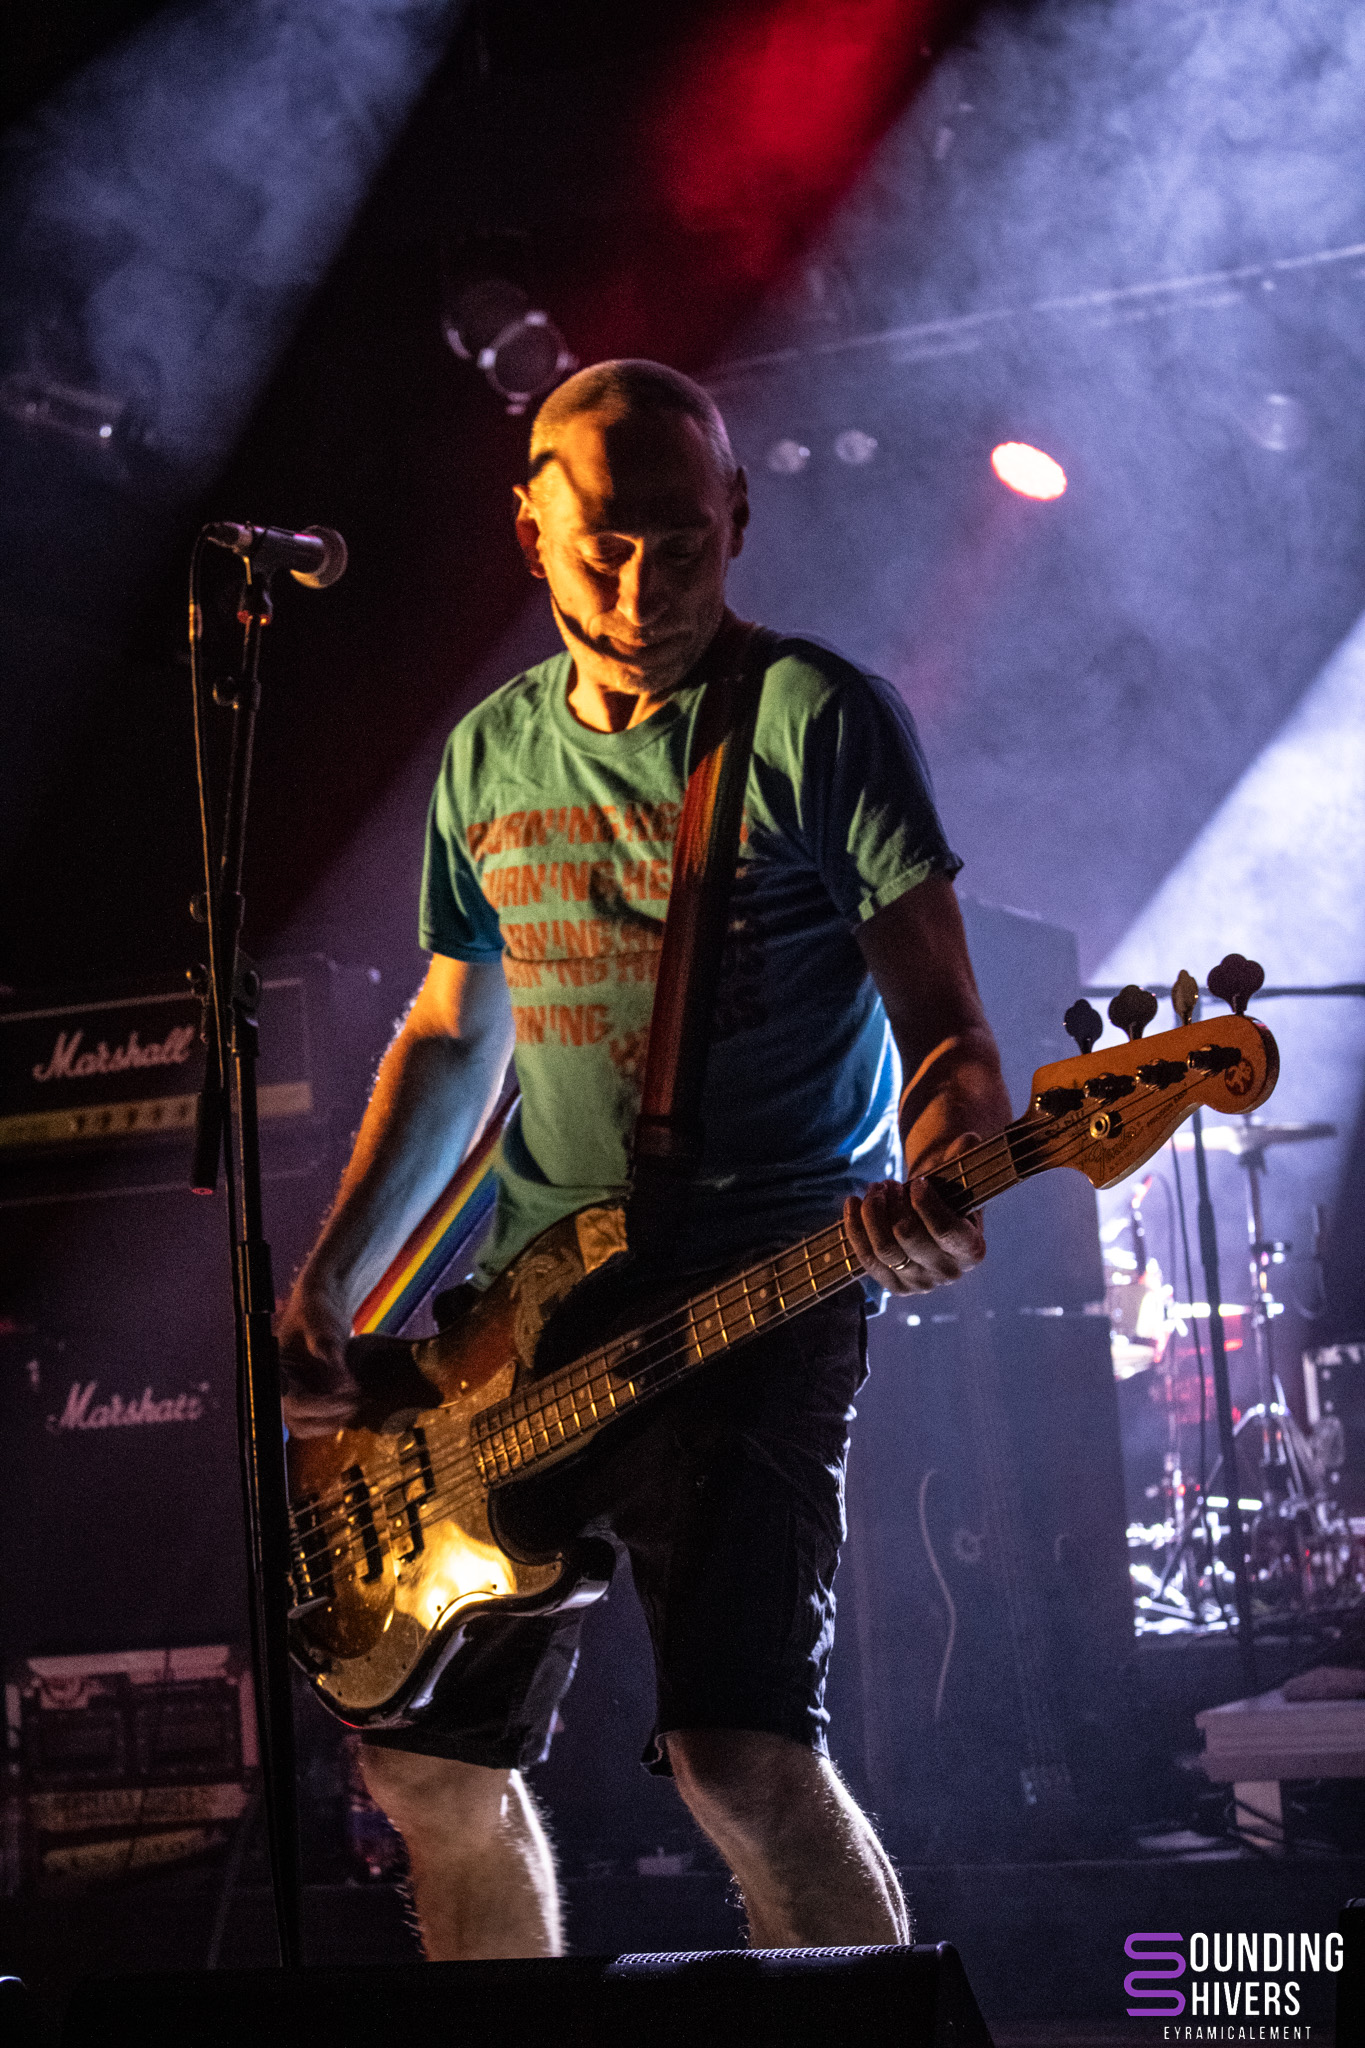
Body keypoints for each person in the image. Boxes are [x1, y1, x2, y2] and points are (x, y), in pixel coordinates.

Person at [277, 360, 1011, 1960]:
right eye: (602, 547)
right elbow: (456, 1039)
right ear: (528, 529)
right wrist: (334, 1282)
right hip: (526, 1322)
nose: (639, 591)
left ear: (736, 519)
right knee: (421, 1768)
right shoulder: (488, 755)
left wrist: (945, 1168)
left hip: (764, 1292)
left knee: (739, 1759)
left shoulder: (814, 719)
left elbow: (948, 1032)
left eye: (680, 546)